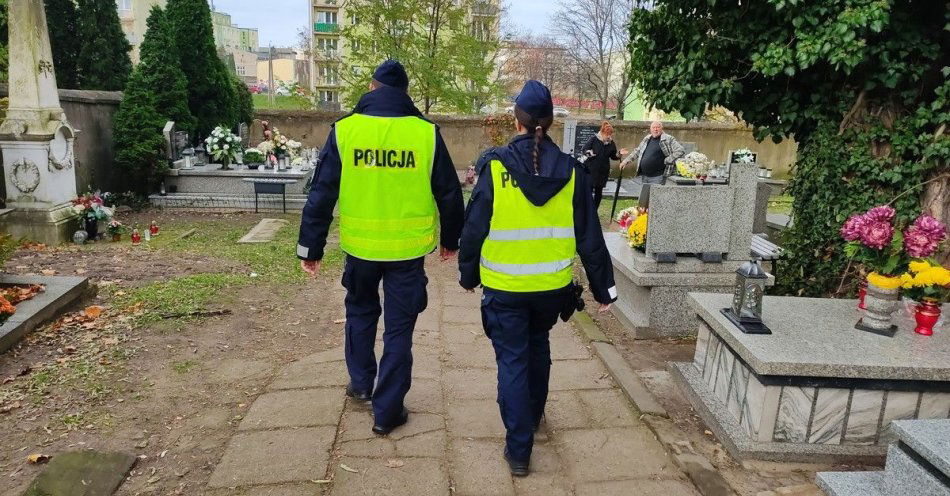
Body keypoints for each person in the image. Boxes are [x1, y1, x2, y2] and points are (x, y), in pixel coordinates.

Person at [458, 81, 617, 477]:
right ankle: (532, 418)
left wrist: (467, 274)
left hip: (505, 289)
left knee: (512, 361)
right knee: (538, 348)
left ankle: (519, 451)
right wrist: (605, 290)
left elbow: (474, 228)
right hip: (551, 290)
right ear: (548, 122)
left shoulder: (494, 168)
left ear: (517, 121)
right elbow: (590, 238)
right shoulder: (573, 172)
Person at [297, 60, 464, 435]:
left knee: (360, 314)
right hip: (407, 254)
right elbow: (450, 193)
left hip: (360, 250)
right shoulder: (425, 133)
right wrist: (452, 241)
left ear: (372, 89)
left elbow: (322, 192)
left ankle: (360, 384)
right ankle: (387, 412)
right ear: (404, 94)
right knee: (399, 329)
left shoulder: (346, 131)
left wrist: (311, 248)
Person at [619, 120, 685, 185]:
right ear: (650, 129)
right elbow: (637, 151)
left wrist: (668, 160)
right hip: (645, 176)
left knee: (655, 195)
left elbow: (680, 150)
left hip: (659, 176)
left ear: (662, 128)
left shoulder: (668, 138)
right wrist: (625, 161)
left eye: (658, 127)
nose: (655, 129)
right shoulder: (647, 138)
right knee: (646, 195)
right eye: (653, 127)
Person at [580, 121, 628, 210]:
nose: (609, 137)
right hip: (591, 170)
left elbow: (613, 156)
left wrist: (619, 154)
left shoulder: (611, 143)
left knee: (599, 192)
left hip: (603, 172)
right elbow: (584, 149)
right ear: (602, 133)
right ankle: (587, 210)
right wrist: (589, 153)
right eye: (607, 135)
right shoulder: (594, 139)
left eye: (610, 135)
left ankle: (594, 211)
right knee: (588, 191)